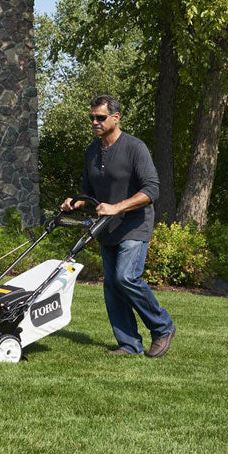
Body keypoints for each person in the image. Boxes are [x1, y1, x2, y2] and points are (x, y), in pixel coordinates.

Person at [60, 95, 175, 357]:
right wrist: (75, 202)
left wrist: (117, 206)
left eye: (100, 117)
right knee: (112, 284)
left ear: (116, 117)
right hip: (107, 228)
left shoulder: (135, 148)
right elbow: (88, 191)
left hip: (134, 224)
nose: (95, 122)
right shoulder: (92, 151)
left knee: (126, 277)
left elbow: (152, 190)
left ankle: (162, 327)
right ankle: (130, 344)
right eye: (92, 118)